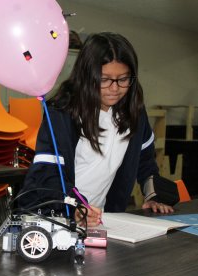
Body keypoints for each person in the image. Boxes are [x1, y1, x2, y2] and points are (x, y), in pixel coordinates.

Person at [18, 32, 177, 227]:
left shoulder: (134, 112)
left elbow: (145, 161)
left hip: (100, 220)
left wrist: (153, 194)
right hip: (53, 217)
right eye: (104, 80)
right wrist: (75, 206)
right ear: (87, 76)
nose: (115, 88)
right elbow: (47, 175)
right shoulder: (62, 113)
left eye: (123, 79)